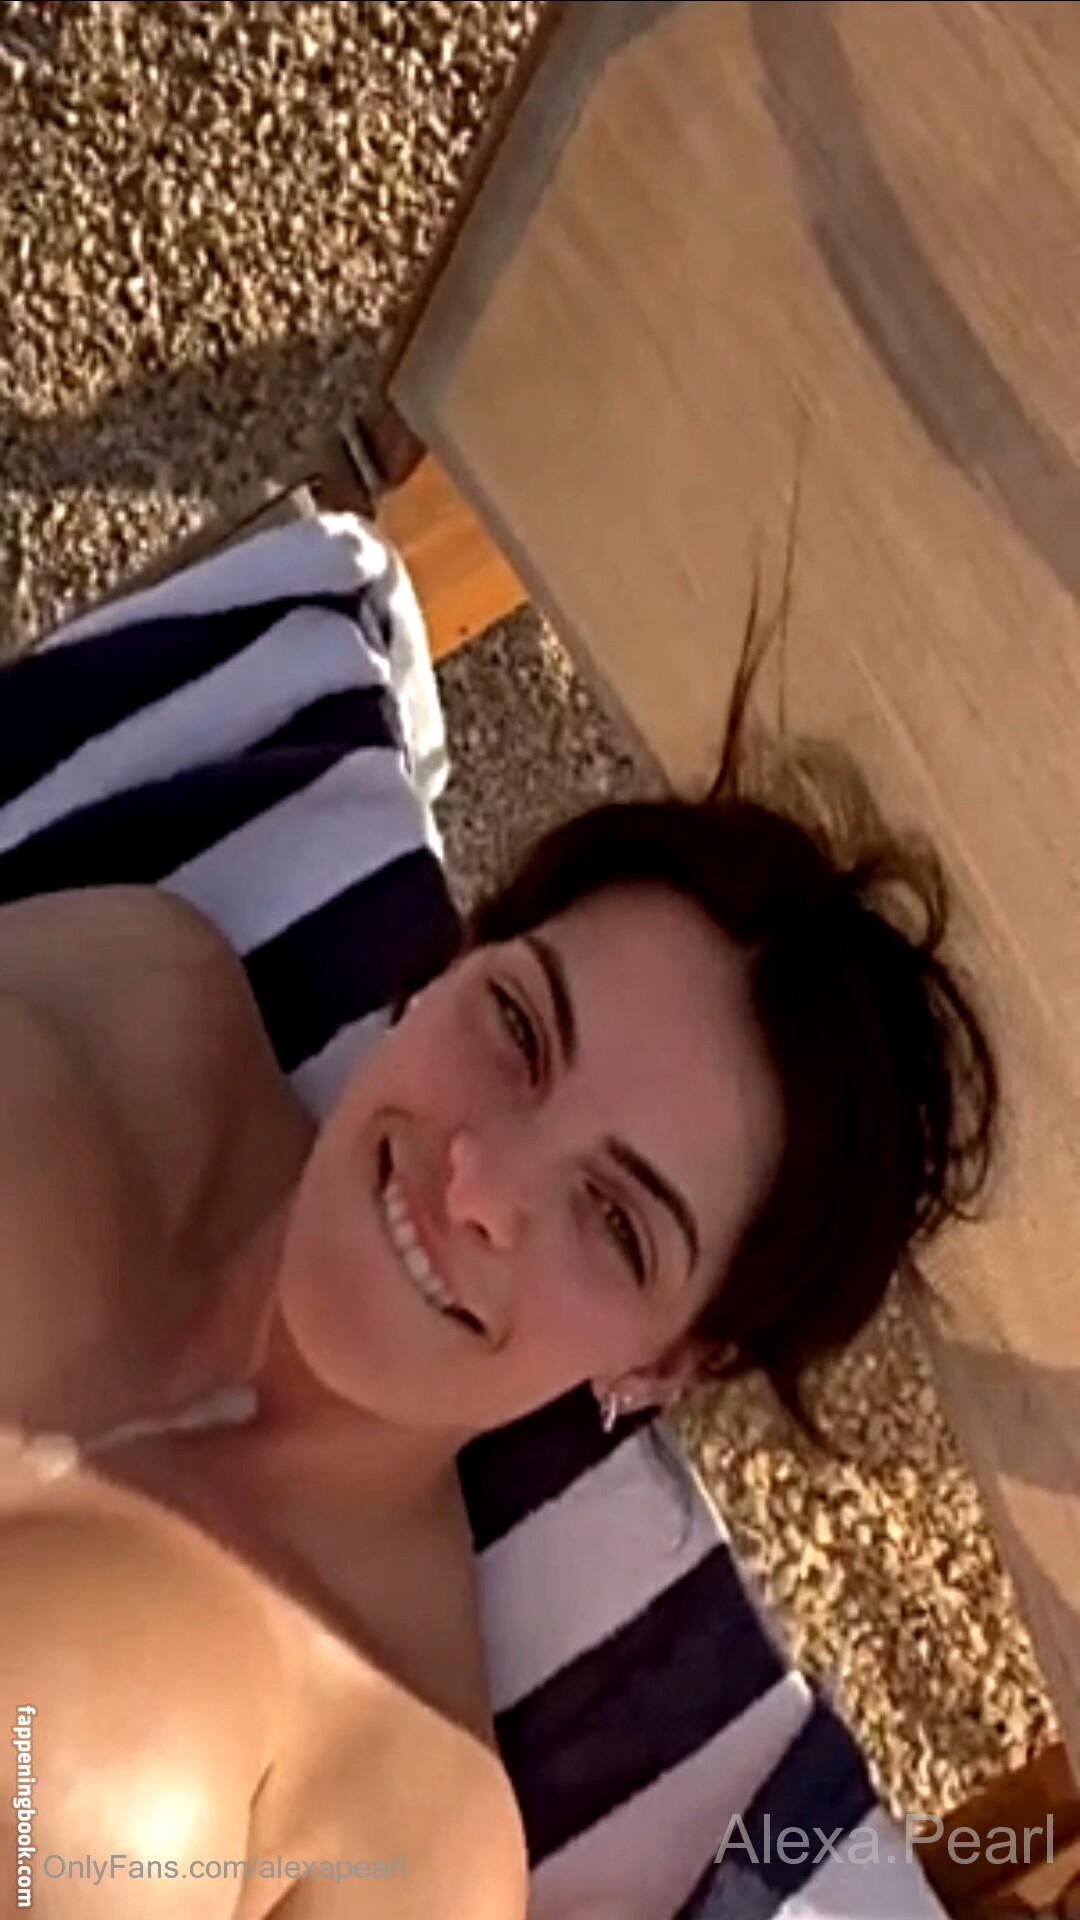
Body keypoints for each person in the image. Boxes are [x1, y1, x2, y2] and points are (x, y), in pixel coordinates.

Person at [0, 615, 997, 1918]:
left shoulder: (403, 1820)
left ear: (671, 1360)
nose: (475, 1186)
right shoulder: (137, 995)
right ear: (461, 960)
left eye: (616, 1223)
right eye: (519, 1028)